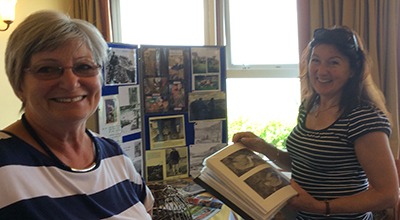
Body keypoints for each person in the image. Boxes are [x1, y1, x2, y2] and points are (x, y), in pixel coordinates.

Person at [232, 26, 398, 219]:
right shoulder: (309, 105)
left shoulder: (363, 118)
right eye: (315, 60)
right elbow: (305, 164)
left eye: (333, 63)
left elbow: (388, 195)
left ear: (353, 70)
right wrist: (264, 148)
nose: (321, 70)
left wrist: (320, 207)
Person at [1, 10, 154, 219]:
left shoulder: (114, 154)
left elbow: (146, 210)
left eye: (84, 66)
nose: (71, 83)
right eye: (47, 69)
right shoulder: (4, 164)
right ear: (18, 84)